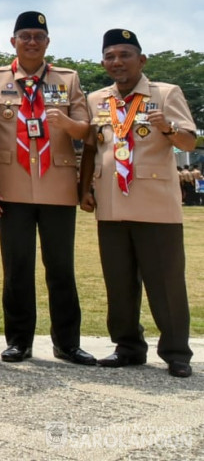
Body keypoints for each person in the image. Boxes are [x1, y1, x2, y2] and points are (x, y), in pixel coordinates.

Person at [0, 12, 94, 365]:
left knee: (61, 268)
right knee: (17, 268)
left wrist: (69, 124)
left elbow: (87, 131)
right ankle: (19, 341)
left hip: (57, 185)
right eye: (24, 35)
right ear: (12, 41)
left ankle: (67, 343)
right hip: (9, 187)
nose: (31, 41)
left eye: (38, 36)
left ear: (48, 42)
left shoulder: (68, 79)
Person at [80, 28, 196, 378]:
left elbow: (190, 142)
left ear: (141, 60)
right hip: (112, 203)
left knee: (166, 283)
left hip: (155, 204)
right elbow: (91, 147)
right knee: (119, 282)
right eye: (111, 56)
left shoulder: (165, 94)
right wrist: (83, 187)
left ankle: (176, 352)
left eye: (125, 55)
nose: (117, 62)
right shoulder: (97, 99)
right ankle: (128, 347)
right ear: (104, 62)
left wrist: (169, 128)